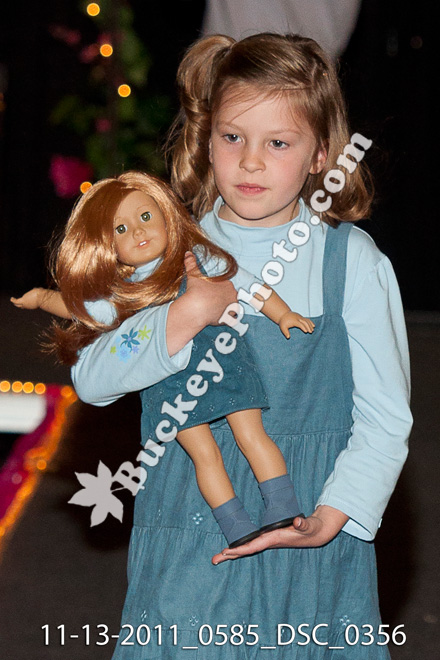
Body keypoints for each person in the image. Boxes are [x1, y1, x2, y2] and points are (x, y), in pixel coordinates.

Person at [60, 33, 411, 658]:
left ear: (319, 154)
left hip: (310, 541)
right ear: (206, 140)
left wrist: (335, 514)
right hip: (190, 538)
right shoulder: (164, 255)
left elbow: (386, 418)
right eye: (232, 137)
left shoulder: (351, 261)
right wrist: (184, 314)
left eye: (278, 143)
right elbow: (92, 379)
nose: (250, 162)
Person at [11, 170, 315, 548]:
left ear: (166, 214)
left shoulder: (196, 258)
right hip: (169, 386)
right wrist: (42, 298)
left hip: (222, 362)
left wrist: (282, 314)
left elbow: (249, 285)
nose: (137, 231)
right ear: (108, 247)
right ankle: (235, 524)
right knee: (204, 455)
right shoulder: (122, 293)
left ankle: (282, 503)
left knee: (251, 434)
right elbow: (83, 310)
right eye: (120, 229)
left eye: (144, 216)